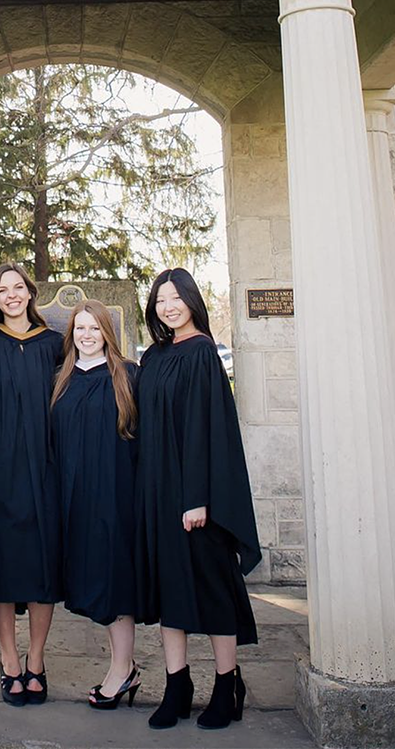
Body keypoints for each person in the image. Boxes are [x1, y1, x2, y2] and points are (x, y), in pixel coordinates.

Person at [135, 268, 261, 731]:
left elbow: (208, 432)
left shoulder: (203, 353)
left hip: (195, 501)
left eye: (175, 298)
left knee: (212, 593)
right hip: (158, 494)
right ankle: (177, 685)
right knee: (172, 593)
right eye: (160, 300)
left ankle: (227, 686)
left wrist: (197, 499)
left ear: (191, 300)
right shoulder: (155, 356)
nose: (168, 307)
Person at [0, 262, 64, 706]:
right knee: (5, 567)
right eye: (2, 290)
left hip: (45, 470)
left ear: (30, 293)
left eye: (18, 288)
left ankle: (36, 660)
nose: (11, 296)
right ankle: (9, 660)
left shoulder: (54, 344)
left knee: (41, 568)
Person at [51, 300, 141, 710]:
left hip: (117, 496)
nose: (87, 336)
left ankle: (122, 670)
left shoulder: (127, 376)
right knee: (95, 581)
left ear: (108, 332)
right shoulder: (62, 379)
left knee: (115, 581)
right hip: (76, 499)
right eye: (80, 329)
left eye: (95, 328)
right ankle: (124, 667)